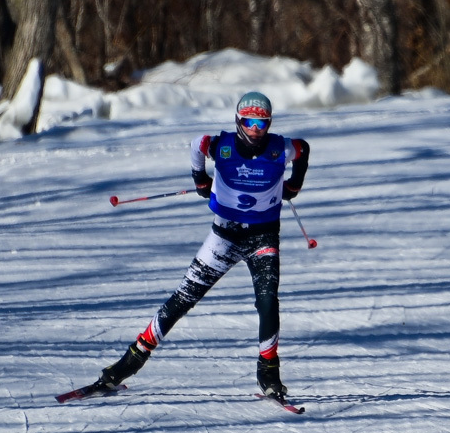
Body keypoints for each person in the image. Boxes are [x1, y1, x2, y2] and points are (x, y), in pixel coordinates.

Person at [92, 91, 310, 399]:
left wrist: (293, 186)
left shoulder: (279, 148)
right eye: (248, 122)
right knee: (182, 299)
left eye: (262, 124)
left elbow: (304, 149)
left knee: (267, 301)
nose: (255, 130)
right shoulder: (220, 146)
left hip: (263, 236)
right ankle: (125, 365)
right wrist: (200, 180)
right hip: (224, 237)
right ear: (238, 121)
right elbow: (196, 145)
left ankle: (269, 374)